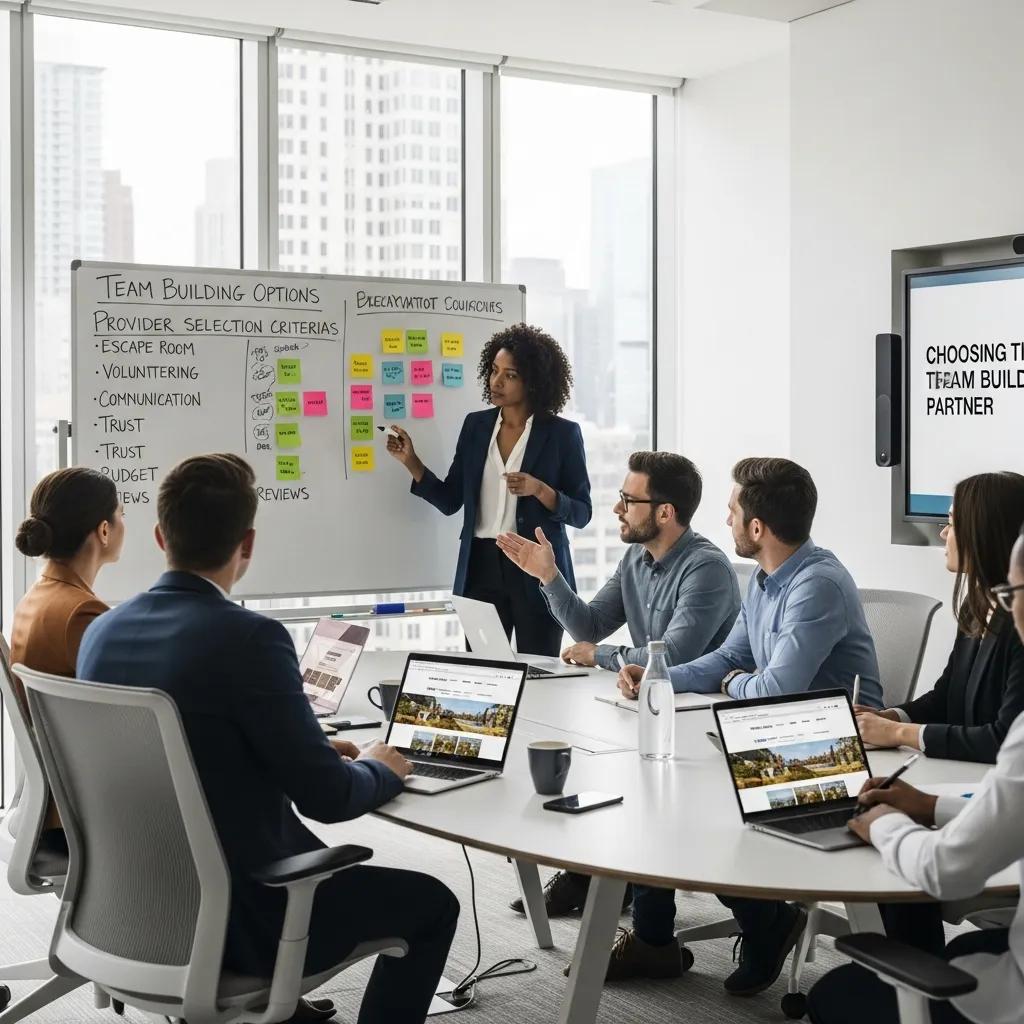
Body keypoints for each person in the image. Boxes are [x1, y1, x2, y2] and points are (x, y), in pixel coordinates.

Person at [77, 454, 458, 1024]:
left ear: (160, 536)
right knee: (433, 904)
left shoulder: (100, 632)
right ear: (247, 543)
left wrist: (297, 745)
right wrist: (382, 765)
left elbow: (192, 747)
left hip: (132, 908)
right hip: (244, 916)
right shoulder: (250, 638)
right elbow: (329, 799)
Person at [612, 457, 883, 995]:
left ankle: (764, 922)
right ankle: (666, 937)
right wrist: (658, 677)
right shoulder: (764, 579)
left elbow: (772, 687)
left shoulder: (816, 584)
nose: (727, 518)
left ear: (757, 527)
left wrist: (737, 681)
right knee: (656, 784)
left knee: (685, 804)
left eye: (733, 510)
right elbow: (728, 660)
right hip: (771, 731)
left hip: (833, 748)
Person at [497, 450, 740, 923]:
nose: (617, 509)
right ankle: (592, 874)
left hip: (693, 720)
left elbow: (671, 658)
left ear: (665, 513)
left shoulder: (705, 570)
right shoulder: (636, 558)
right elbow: (589, 625)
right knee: (583, 749)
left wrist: (603, 656)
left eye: (629, 500)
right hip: (645, 707)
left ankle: (633, 912)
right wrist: (549, 576)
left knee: (619, 770)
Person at [806, 524, 1024, 1024]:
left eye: (1015, 593)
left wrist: (882, 823)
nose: (1010, 606)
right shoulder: (977, 615)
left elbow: (946, 870)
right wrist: (928, 806)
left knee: (834, 995)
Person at [386, 323, 590, 656]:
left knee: (538, 671)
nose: (496, 381)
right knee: (481, 672)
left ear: (534, 380)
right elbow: (451, 499)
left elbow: (582, 513)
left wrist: (540, 490)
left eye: (510, 375)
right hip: (480, 565)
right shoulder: (476, 426)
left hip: (535, 568)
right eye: (494, 371)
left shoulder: (563, 434)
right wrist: (412, 462)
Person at [856, 471, 1024, 763]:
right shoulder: (978, 606)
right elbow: (945, 697)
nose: (943, 533)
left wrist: (898, 733)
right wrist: (889, 716)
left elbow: (1003, 740)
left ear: (982, 533)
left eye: (951, 523)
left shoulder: (1020, 624)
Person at [9, 467, 125, 843]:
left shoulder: (38, 597)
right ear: (104, 530)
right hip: (82, 813)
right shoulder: (81, 612)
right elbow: (130, 719)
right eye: (121, 515)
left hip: (52, 804)